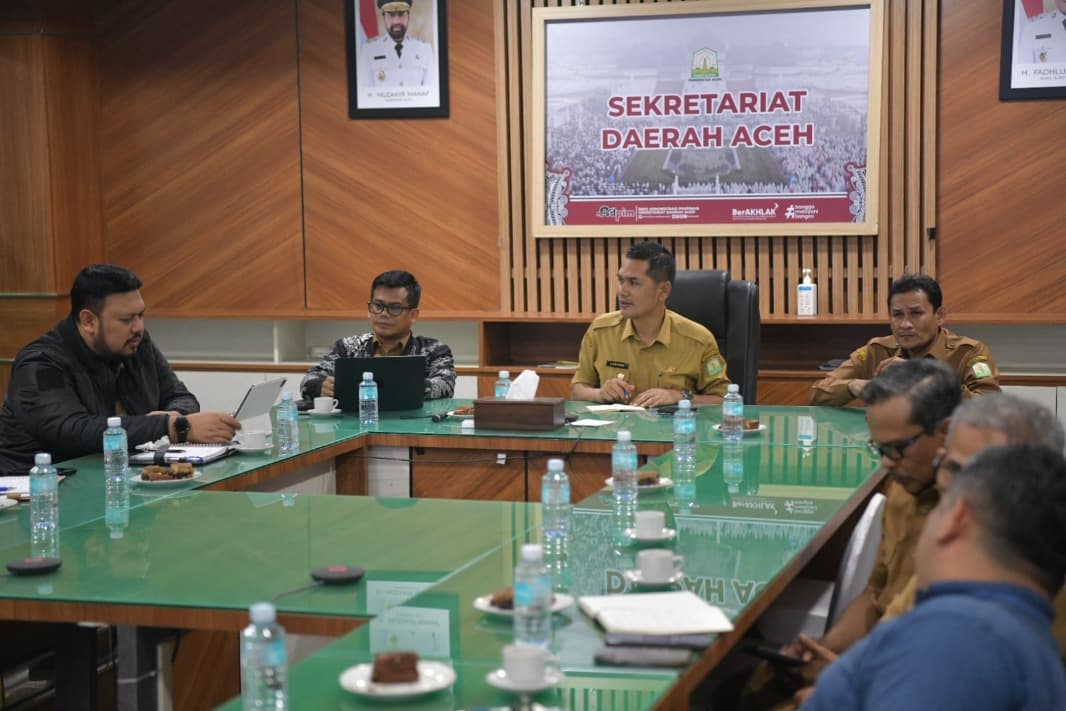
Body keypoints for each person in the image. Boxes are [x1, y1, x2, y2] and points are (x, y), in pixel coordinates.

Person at [790, 393, 1066, 704]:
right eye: (946, 465)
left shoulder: (964, 628)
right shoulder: (961, 585)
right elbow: (882, 608)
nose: (944, 485)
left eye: (969, 477)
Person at [736, 359, 960, 709]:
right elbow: (874, 595)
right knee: (756, 687)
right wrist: (826, 649)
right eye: (879, 449)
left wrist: (849, 677)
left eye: (897, 448)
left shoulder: (978, 518)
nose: (887, 463)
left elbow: (946, 660)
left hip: (916, 684)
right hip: (875, 659)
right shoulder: (903, 489)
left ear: (945, 432)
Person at [0, 264, 240, 470]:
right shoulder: (40, 364)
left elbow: (179, 395)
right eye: (127, 319)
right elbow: (73, 431)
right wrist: (173, 427)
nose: (138, 328)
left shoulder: (136, 345)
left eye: (140, 316)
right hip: (40, 496)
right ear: (88, 321)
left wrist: (171, 418)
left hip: (115, 481)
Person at [570, 241, 730, 407]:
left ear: (663, 291)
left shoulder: (699, 340)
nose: (622, 291)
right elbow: (578, 390)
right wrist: (601, 393)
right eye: (621, 281)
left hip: (674, 431)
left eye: (634, 282)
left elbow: (723, 399)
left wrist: (678, 396)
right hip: (615, 430)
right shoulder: (600, 331)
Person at [810, 274, 1000, 406]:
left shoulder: (969, 353)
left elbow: (990, 406)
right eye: (897, 314)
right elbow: (818, 393)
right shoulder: (877, 351)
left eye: (916, 314)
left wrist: (923, 381)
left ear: (939, 315)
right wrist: (853, 386)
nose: (905, 324)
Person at [300, 270, 455, 401]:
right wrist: (322, 387)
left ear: (413, 315)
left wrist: (390, 386)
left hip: (412, 430)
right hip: (356, 428)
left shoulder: (434, 351)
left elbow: (444, 386)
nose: (384, 314)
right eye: (378, 306)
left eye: (395, 308)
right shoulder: (348, 347)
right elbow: (308, 381)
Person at [359, 0, 436, 89]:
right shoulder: (369, 50)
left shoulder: (425, 49)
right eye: (391, 15)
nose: (396, 21)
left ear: (408, 16)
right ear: (383, 16)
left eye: (401, 14)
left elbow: (430, 93)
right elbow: (365, 94)